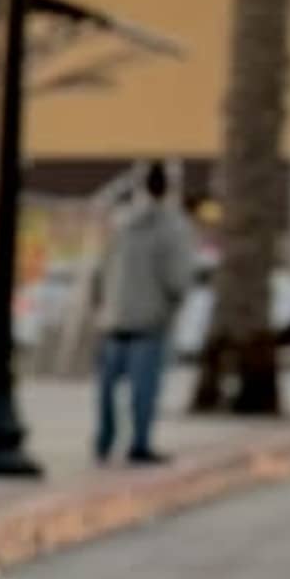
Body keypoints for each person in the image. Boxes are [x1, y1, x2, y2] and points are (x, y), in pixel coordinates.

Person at [91, 161, 198, 464]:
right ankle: (139, 443)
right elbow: (177, 277)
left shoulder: (120, 222)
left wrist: (102, 306)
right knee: (144, 391)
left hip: (113, 319)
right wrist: (173, 305)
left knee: (108, 390)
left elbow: (101, 270)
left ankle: (104, 441)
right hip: (149, 320)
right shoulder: (172, 227)